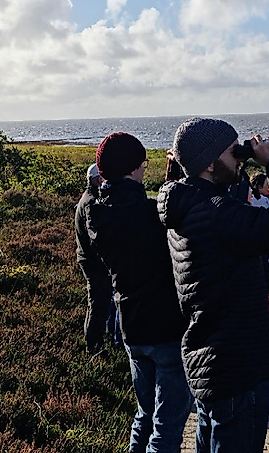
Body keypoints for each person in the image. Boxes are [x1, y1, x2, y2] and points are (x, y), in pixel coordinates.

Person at [157, 118, 269, 453]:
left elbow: (226, 194)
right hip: (237, 368)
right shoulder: (218, 215)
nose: (240, 157)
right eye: (234, 152)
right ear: (209, 163)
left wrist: (239, 163)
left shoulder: (189, 205)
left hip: (214, 363)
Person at [79, 133, 192, 453]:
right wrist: (177, 174)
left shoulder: (96, 214)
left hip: (131, 325)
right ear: (132, 169)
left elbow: (147, 215)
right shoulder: (148, 213)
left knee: (145, 414)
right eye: (142, 164)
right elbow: (170, 213)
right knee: (167, 427)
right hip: (166, 327)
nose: (144, 169)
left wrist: (171, 176)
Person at [74, 163, 107, 351]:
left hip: (87, 258)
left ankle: (94, 343)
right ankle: (93, 346)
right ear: (98, 179)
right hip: (92, 262)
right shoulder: (91, 203)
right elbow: (96, 238)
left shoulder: (88, 198)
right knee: (97, 303)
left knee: (97, 301)